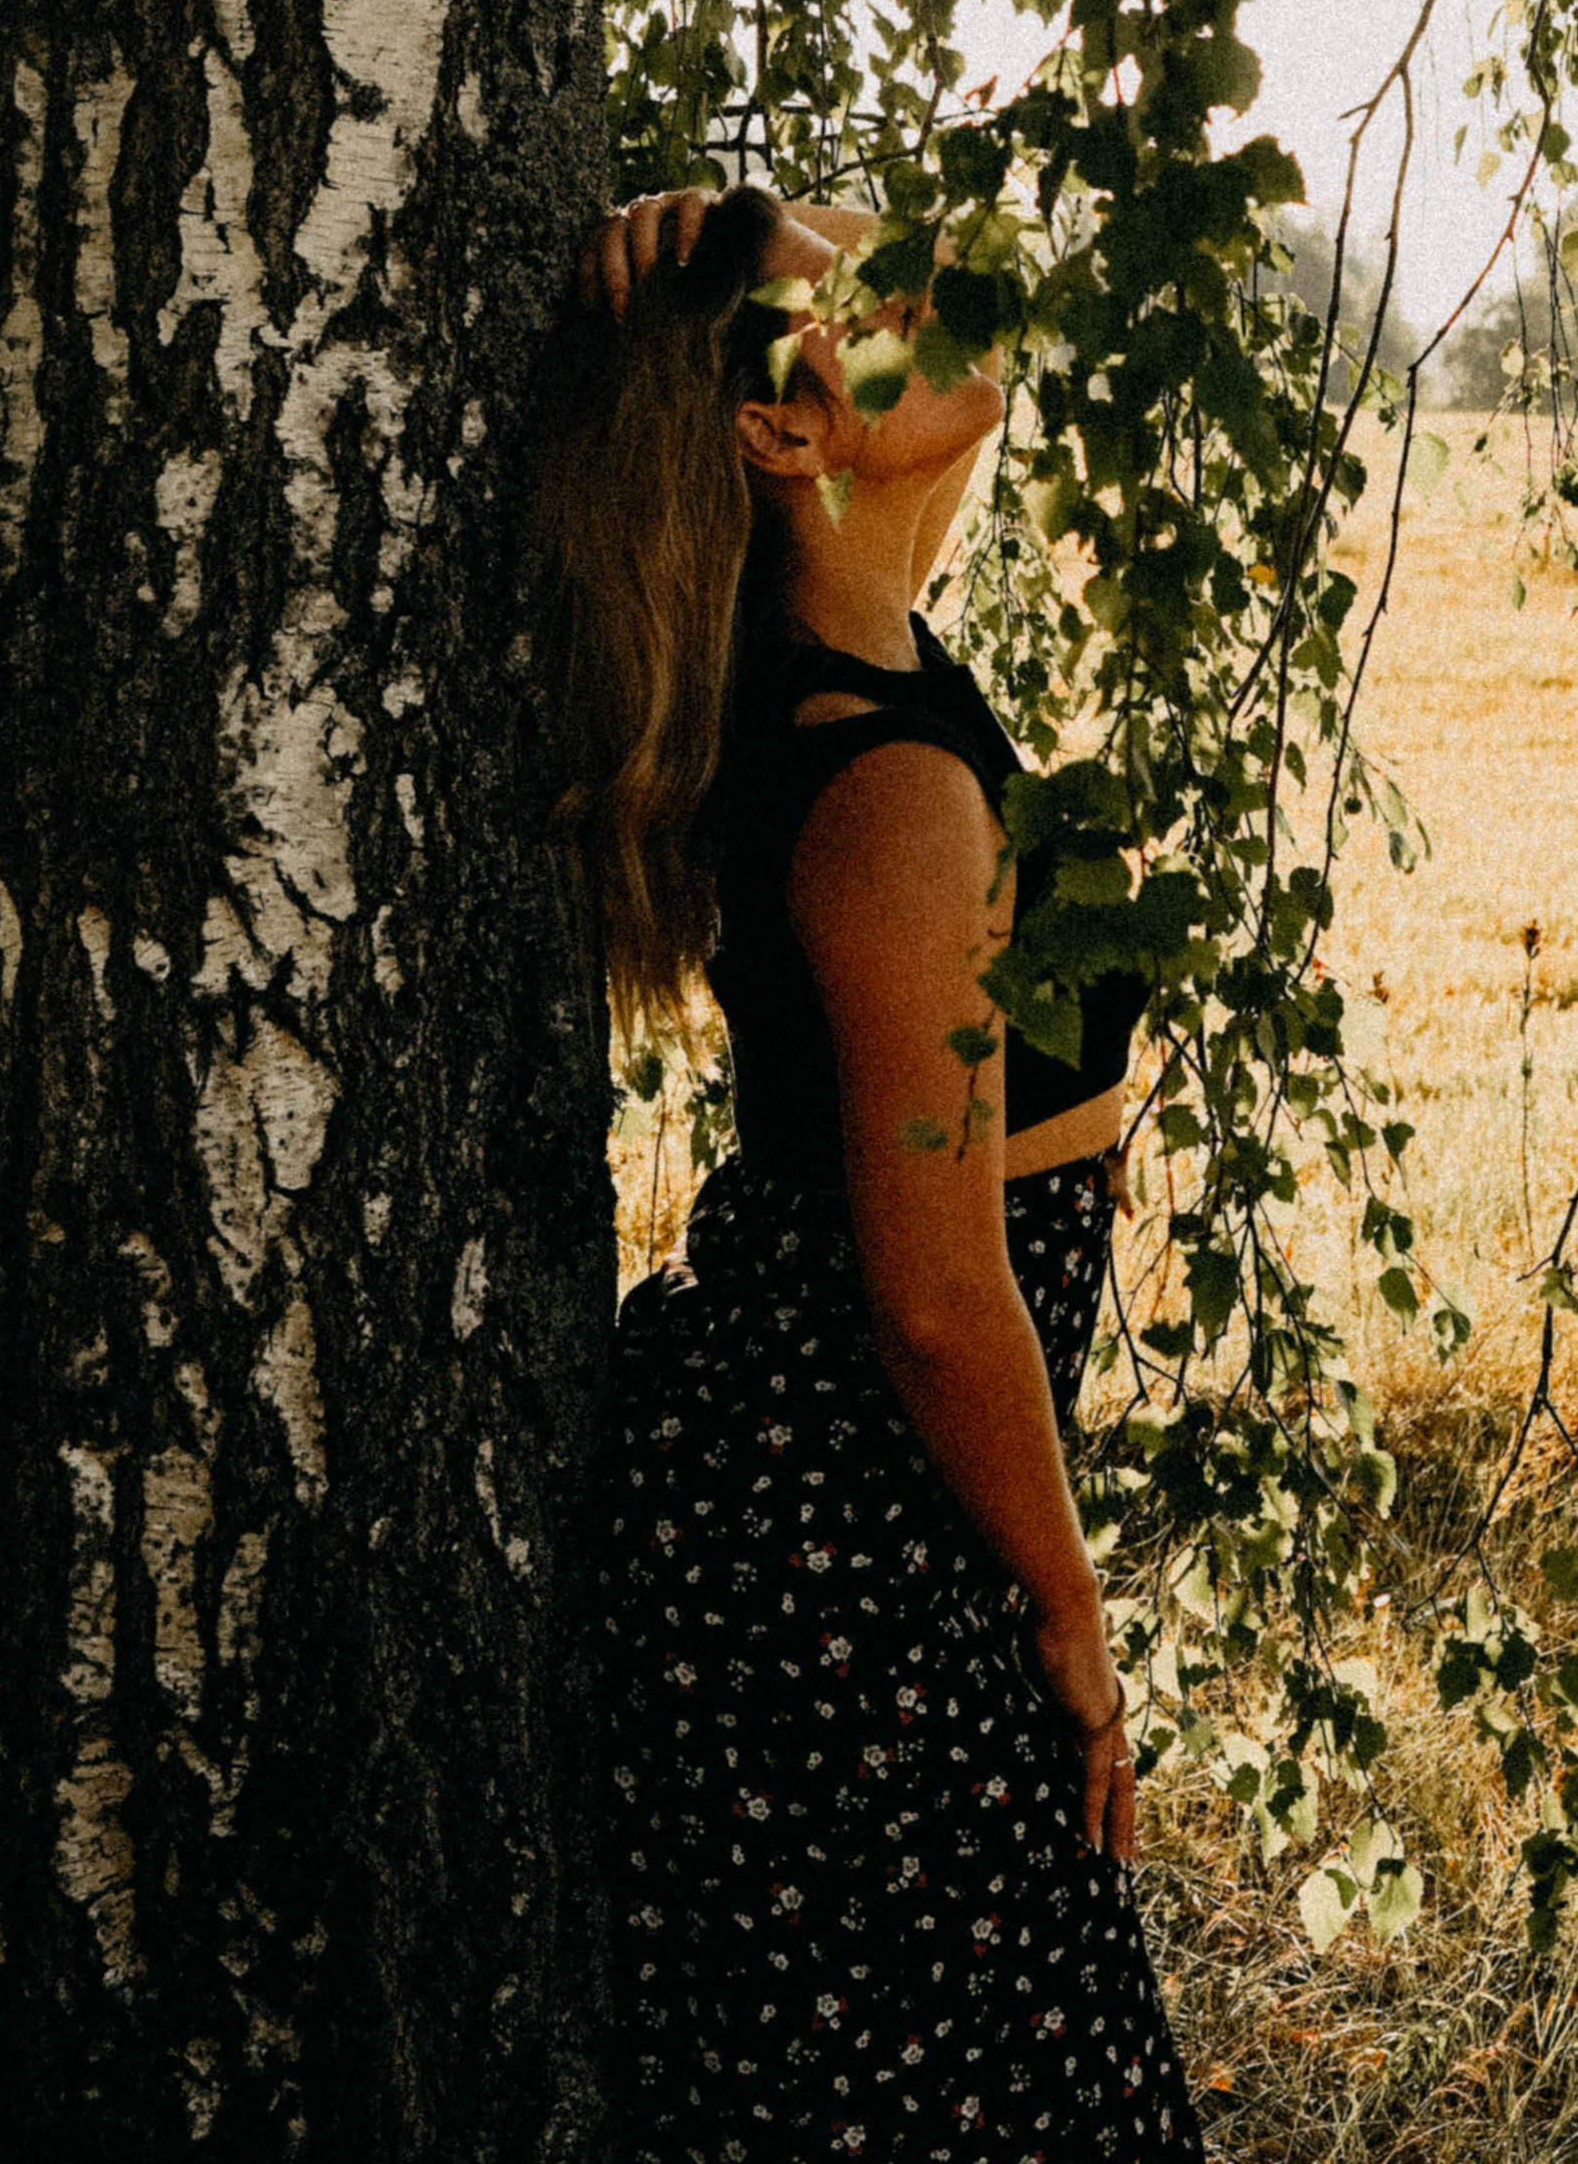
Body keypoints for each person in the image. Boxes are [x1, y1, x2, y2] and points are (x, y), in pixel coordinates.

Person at [538, 181, 1203, 2161]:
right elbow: (931, 1292)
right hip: (844, 1558)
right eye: (860, 295)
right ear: (777, 429)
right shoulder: (892, 795)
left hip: (829, 1532)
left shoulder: (855, 687)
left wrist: (725, 224)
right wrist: (1068, 1608)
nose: (925, 278)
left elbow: (971, 273)